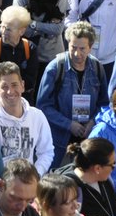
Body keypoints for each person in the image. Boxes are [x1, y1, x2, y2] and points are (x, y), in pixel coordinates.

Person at [37, 21, 109, 169]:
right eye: (73, 47)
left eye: (82, 49)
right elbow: (43, 106)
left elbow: (104, 104)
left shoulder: (97, 68)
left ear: (90, 47)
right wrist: (69, 124)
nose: (77, 54)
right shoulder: (55, 68)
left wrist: (92, 122)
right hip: (59, 140)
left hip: (87, 137)